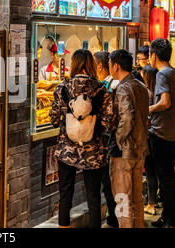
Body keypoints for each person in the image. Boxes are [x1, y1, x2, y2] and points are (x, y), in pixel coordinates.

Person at [50, 49, 113, 228]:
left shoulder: (62, 88)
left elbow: (54, 118)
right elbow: (108, 122)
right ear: (91, 65)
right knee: (93, 197)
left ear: (74, 64)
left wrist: (65, 121)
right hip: (94, 152)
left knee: (65, 195)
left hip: (66, 150)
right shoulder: (102, 89)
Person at [148, 39, 175, 228]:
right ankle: (167, 217)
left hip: (161, 133)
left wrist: (148, 109)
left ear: (154, 55)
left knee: (166, 180)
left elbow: (165, 102)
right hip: (173, 132)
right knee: (167, 177)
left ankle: (174, 221)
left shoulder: (162, 75)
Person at [108, 49, 149, 228]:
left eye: (109, 65)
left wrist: (118, 138)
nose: (109, 68)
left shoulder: (123, 88)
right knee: (137, 198)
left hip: (125, 152)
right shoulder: (140, 85)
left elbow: (128, 117)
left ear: (116, 66)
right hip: (140, 149)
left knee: (123, 199)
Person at [93, 51, 119, 228]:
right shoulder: (106, 84)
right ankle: (113, 217)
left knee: (110, 183)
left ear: (100, 66)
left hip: (111, 141)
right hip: (107, 141)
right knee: (107, 183)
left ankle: (115, 218)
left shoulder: (113, 86)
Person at [140, 65, 161, 215]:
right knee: (156, 171)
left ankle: (151, 204)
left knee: (150, 171)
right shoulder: (158, 93)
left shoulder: (146, 93)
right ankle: (157, 201)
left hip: (147, 135)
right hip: (157, 134)